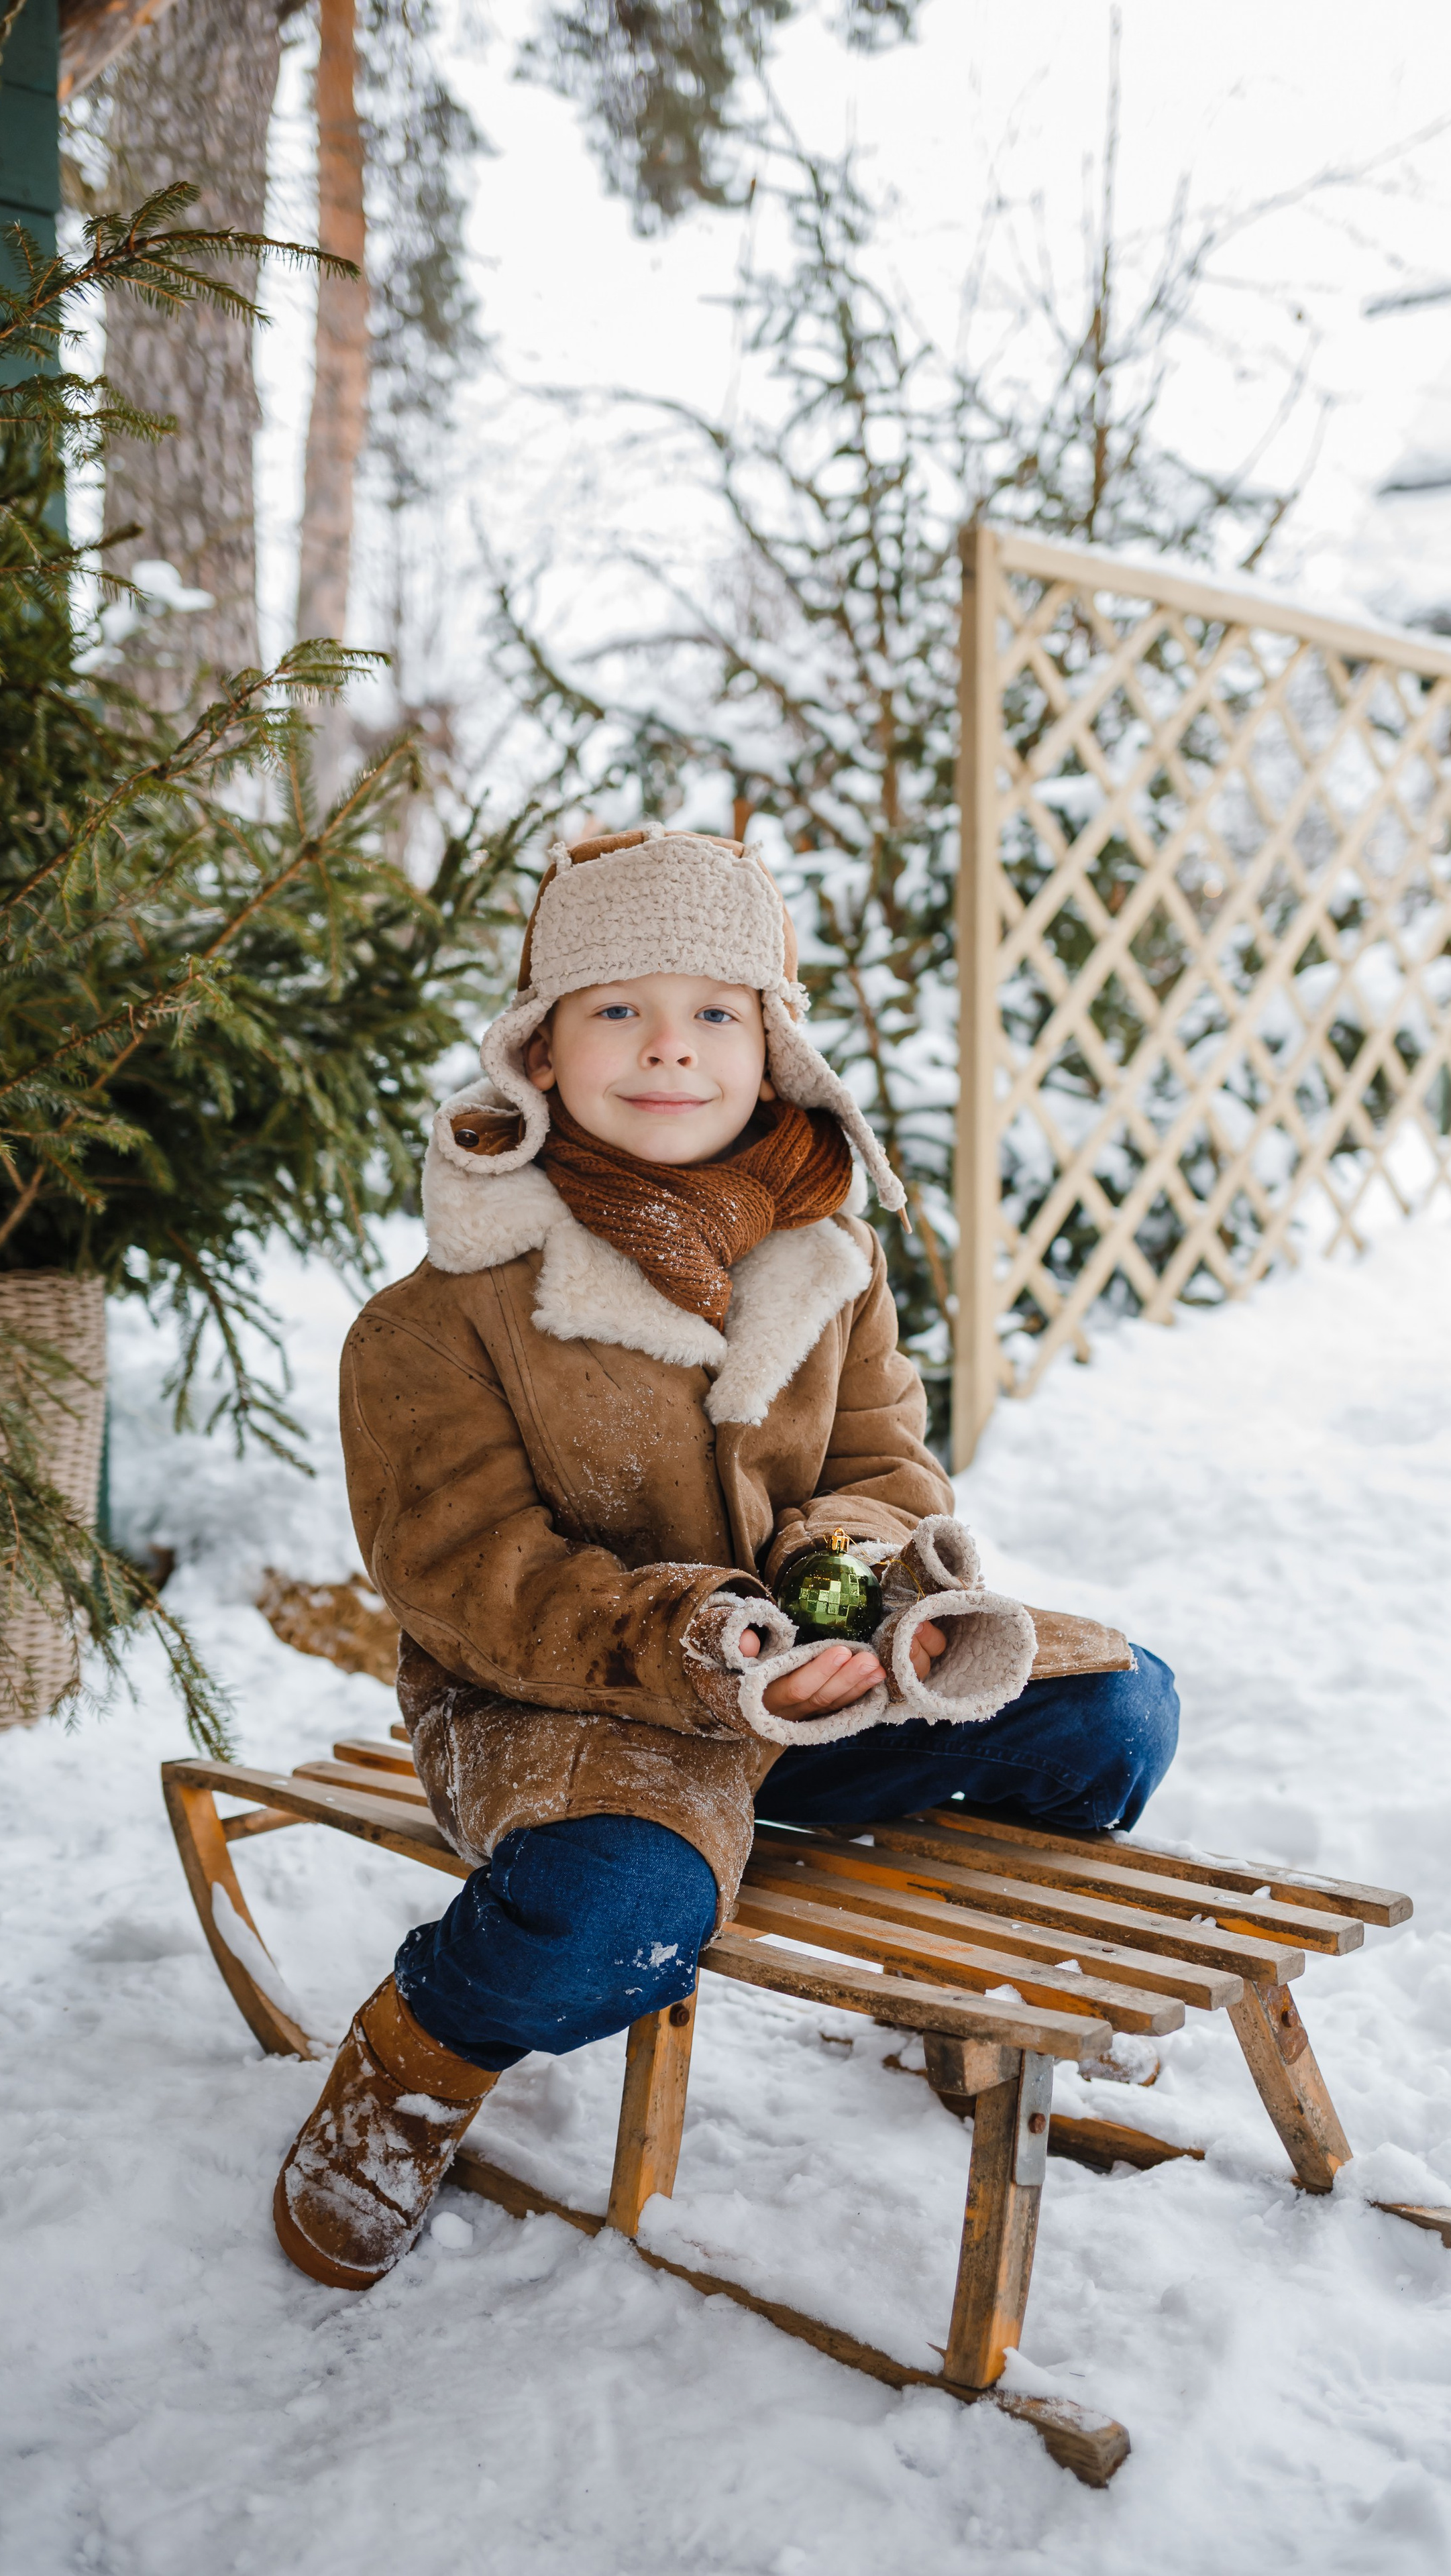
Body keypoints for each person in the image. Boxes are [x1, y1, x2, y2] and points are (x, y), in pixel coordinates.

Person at [271, 826, 1178, 2289]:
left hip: (821, 1687)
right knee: (614, 1919)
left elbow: (882, 1470)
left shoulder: (827, 1261)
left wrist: (862, 1598)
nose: (668, 1046)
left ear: (770, 1053)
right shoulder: (436, 1318)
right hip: (571, 1708)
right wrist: (702, 1643)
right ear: (540, 1051)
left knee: (1118, 1705)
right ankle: (420, 2051)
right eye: (616, 1008)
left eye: (714, 1010)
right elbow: (472, 1577)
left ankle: (950, 1996)